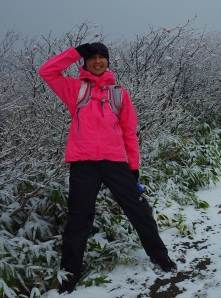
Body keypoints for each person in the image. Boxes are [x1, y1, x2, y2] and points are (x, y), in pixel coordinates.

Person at [39, 42, 176, 294]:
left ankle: (160, 256)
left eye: (102, 57)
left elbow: (129, 130)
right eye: (92, 58)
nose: (98, 61)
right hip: (83, 163)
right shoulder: (74, 89)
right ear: (86, 62)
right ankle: (69, 274)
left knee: (139, 210)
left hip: (115, 162)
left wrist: (133, 165)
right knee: (78, 218)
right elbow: (47, 71)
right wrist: (76, 51)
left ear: (108, 62)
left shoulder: (119, 93)